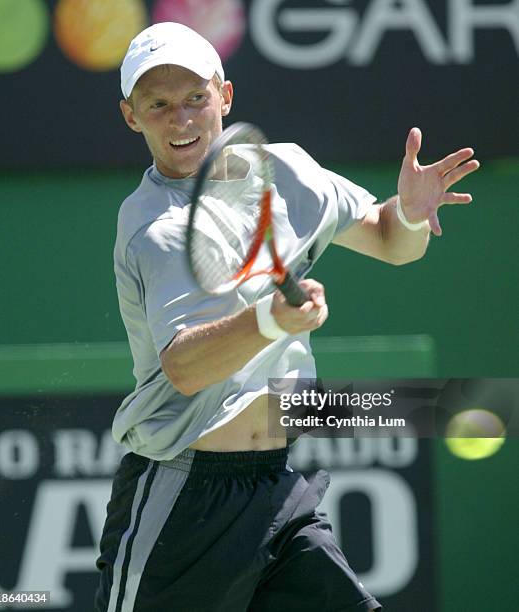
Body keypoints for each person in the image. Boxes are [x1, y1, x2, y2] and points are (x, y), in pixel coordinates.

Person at [95, 22, 479, 612]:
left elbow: (388, 242)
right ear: (130, 116)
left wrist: (407, 212)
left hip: (277, 487)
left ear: (224, 96)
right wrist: (270, 322)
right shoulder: (155, 228)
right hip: (183, 497)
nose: (181, 120)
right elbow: (185, 369)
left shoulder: (289, 172)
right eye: (159, 105)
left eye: (196, 98)